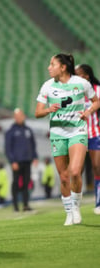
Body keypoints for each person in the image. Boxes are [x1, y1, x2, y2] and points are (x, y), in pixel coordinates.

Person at [35, 53, 99, 225]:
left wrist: (87, 112)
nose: (49, 67)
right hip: (57, 133)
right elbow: (37, 112)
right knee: (63, 177)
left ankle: (76, 207)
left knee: (75, 172)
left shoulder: (82, 83)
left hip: (77, 130)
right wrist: (49, 110)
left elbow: (96, 101)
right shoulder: (47, 86)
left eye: (52, 64)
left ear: (62, 67)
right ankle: (69, 212)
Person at [75, 64, 100, 215]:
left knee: (97, 166)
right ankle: (75, 206)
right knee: (77, 170)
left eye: (78, 74)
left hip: (95, 132)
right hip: (78, 134)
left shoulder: (97, 90)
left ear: (86, 76)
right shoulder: (74, 91)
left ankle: (99, 202)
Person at [5, 108, 38, 212]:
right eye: (17, 116)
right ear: (15, 118)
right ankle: (15, 205)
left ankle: (25, 204)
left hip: (27, 160)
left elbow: (33, 145)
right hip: (17, 162)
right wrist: (12, 161)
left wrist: (35, 156)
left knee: (26, 182)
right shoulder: (11, 131)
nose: (20, 118)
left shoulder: (28, 130)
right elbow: (8, 148)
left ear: (23, 116)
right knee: (15, 183)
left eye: (21, 116)